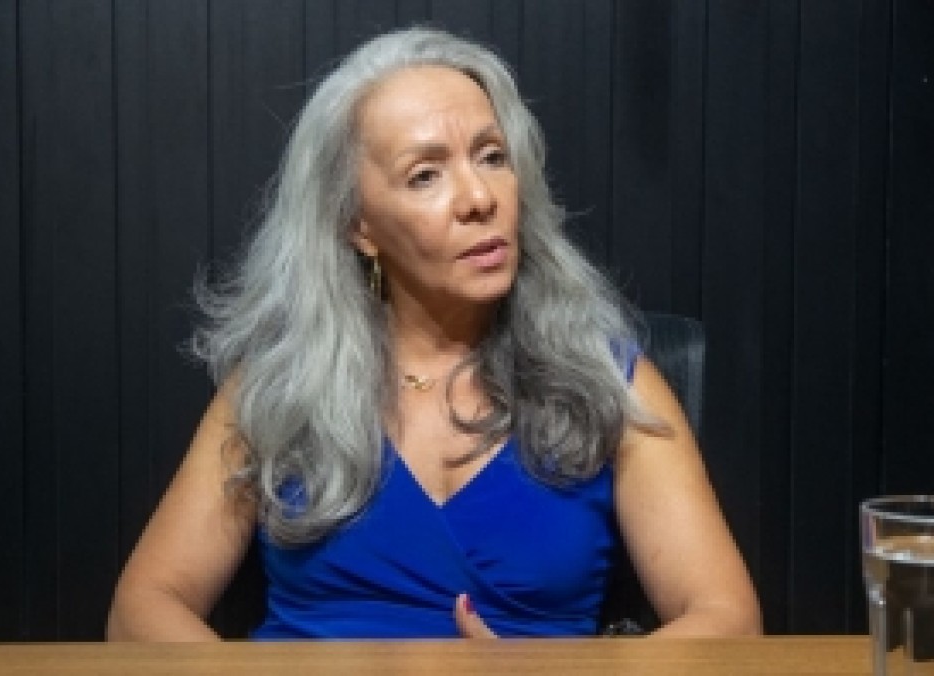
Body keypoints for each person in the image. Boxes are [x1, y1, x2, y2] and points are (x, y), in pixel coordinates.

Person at [106, 27, 761, 641]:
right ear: (356, 225)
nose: (478, 198)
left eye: (492, 156)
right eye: (426, 175)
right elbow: (144, 607)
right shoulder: (278, 387)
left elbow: (727, 619)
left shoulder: (609, 380)